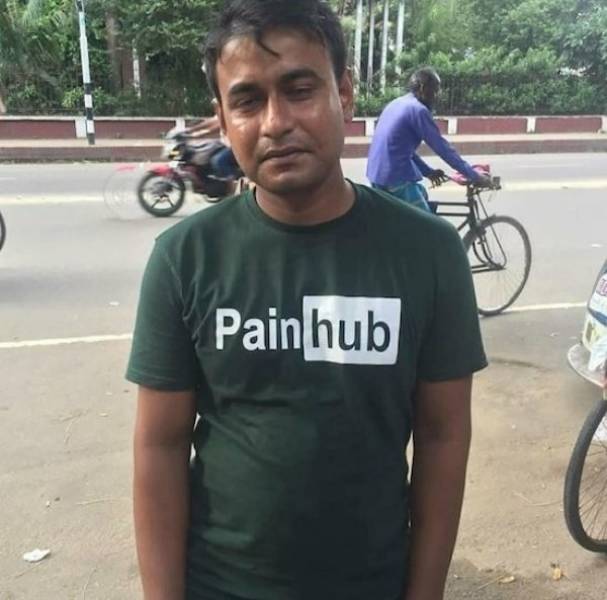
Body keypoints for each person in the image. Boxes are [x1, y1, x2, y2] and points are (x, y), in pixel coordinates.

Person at [126, 2, 487, 599]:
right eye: (247, 101)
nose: (276, 122)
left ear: (343, 92)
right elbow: (159, 445)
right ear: (223, 119)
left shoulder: (429, 254)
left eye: (300, 90)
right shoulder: (184, 258)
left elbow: (443, 436)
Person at [367, 67, 491, 212]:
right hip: (395, 178)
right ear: (423, 88)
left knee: (422, 194)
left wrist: (428, 172)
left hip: (376, 175)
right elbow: (443, 148)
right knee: (428, 223)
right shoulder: (418, 110)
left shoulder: (398, 103)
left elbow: (400, 150)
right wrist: (474, 175)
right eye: (435, 90)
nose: (437, 96)